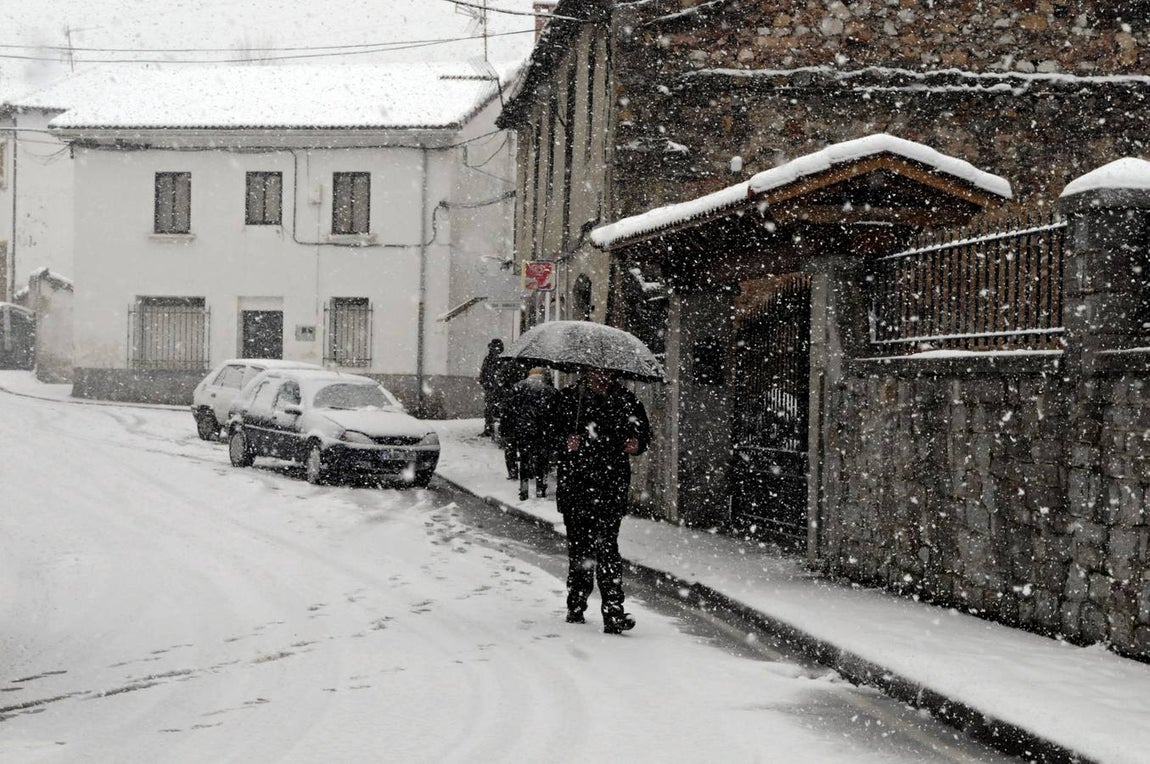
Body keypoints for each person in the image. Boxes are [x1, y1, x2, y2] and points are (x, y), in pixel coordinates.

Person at [550, 367, 651, 634]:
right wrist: (565, 442)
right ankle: (576, 603)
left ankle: (613, 612)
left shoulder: (627, 401)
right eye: (595, 373)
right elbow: (549, 435)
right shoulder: (569, 399)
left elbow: (643, 436)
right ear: (585, 372)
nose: (601, 378)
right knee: (580, 548)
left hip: (610, 486)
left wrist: (636, 444)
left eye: (606, 373)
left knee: (607, 548)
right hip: (576, 485)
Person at [501, 367, 558, 501]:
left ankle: (524, 488)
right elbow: (555, 413)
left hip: (523, 430)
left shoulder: (517, 387)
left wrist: (507, 428)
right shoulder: (549, 391)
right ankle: (540, 487)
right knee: (541, 459)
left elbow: (507, 409)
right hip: (542, 430)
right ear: (542, 376)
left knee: (524, 458)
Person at [478, 339, 505, 438]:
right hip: (491, 387)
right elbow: (484, 371)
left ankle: (500, 429)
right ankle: (489, 429)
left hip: (500, 388)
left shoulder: (503, 359)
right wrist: (484, 382)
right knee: (489, 409)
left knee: (500, 409)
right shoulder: (489, 359)